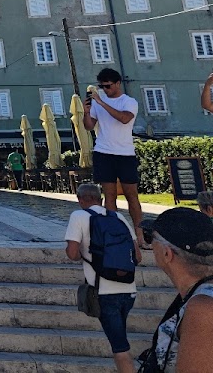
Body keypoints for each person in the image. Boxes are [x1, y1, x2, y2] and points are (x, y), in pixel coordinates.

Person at [65, 182, 138, 373]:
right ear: (101, 199)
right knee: (119, 338)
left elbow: (72, 253)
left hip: (104, 292)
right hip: (128, 290)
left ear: (80, 200)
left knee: (120, 346)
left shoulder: (78, 216)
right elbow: (137, 256)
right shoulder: (119, 216)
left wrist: (86, 255)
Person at [140, 207, 213, 372]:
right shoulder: (196, 295)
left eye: (150, 237)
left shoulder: (203, 308)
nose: (150, 245)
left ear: (167, 253)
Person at [85, 68, 146, 248]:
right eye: (102, 87)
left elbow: (124, 119)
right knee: (109, 196)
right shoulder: (98, 101)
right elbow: (89, 127)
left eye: (108, 86)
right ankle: (114, 236)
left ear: (118, 83)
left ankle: (140, 237)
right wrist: (86, 111)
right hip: (103, 152)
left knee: (131, 196)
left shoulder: (129, 102)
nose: (105, 90)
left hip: (125, 153)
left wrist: (101, 103)